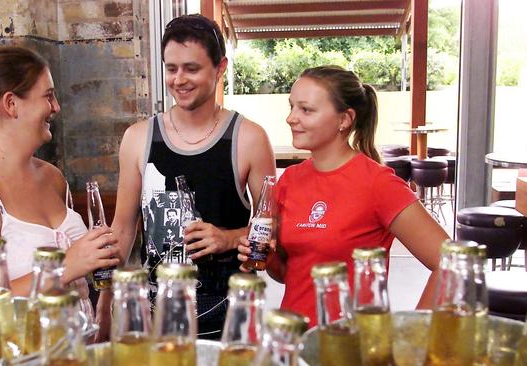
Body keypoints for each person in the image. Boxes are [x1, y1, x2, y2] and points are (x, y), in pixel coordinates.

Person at [97, 14, 276, 340]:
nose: (179, 79)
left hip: (227, 310)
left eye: (191, 68)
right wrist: (107, 294)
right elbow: (122, 227)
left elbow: (271, 228)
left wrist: (228, 237)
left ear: (220, 68)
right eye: (171, 68)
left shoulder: (249, 138)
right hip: (154, 310)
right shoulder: (138, 137)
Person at [237, 66, 448, 325]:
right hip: (296, 341)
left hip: (351, 346)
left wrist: (414, 333)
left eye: (306, 109)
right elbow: (286, 274)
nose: (291, 118)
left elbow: (449, 264)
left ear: (344, 119)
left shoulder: (378, 184)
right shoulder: (289, 181)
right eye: (291, 107)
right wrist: (267, 259)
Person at [0, 46, 120, 322]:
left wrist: (104, 292)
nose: (56, 107)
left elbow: (81, 278)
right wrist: (65, 266)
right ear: (11, 104)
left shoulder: (52, 177)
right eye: (48, 96)